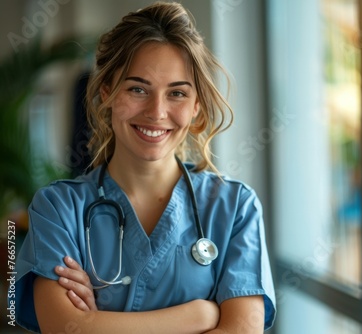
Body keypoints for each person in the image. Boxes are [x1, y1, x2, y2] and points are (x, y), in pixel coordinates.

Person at [12, 2, 276, 333]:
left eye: (177, 93)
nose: (156, 112)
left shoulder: (235, 208)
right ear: (107, 92)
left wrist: (96, 322)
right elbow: (66, 327)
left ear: (196, 106)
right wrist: (200, 315)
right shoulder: (57, 208)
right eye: (138, 89)